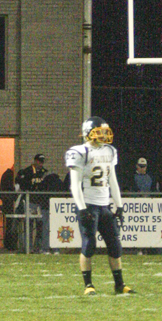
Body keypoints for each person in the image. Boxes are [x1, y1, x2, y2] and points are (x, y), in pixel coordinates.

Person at [65, 116, 134, 295]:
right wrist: (82, 208)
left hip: (105, 206)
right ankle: (89, 285)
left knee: (115, 246)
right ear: (89, 133)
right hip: (88, 204)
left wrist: (119, 205)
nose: (104, 135)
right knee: (89, 245)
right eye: (100, 132)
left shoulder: (110, 151)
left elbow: (113, 180)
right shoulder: (80, 151)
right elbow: (75, 184)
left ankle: (119, 285)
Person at [15, 153, 48, 252]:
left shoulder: (44, 172)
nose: (40, 164)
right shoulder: (27, 171)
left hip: (41, 202)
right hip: (30, 201)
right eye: (39, 161)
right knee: (28, 225)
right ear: (35, 161)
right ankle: (28, 248)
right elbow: (20, 185)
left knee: (40, 226)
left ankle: (38, 247)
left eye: (42, 162)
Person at [0, 165, 17, 250]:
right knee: (10, 224)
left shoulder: (5, 175)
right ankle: (10, 244)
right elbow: (11, 189)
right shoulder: (9, 176)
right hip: (8, 202)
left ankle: (8, 243)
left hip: (6, 202)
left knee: (9, 224)